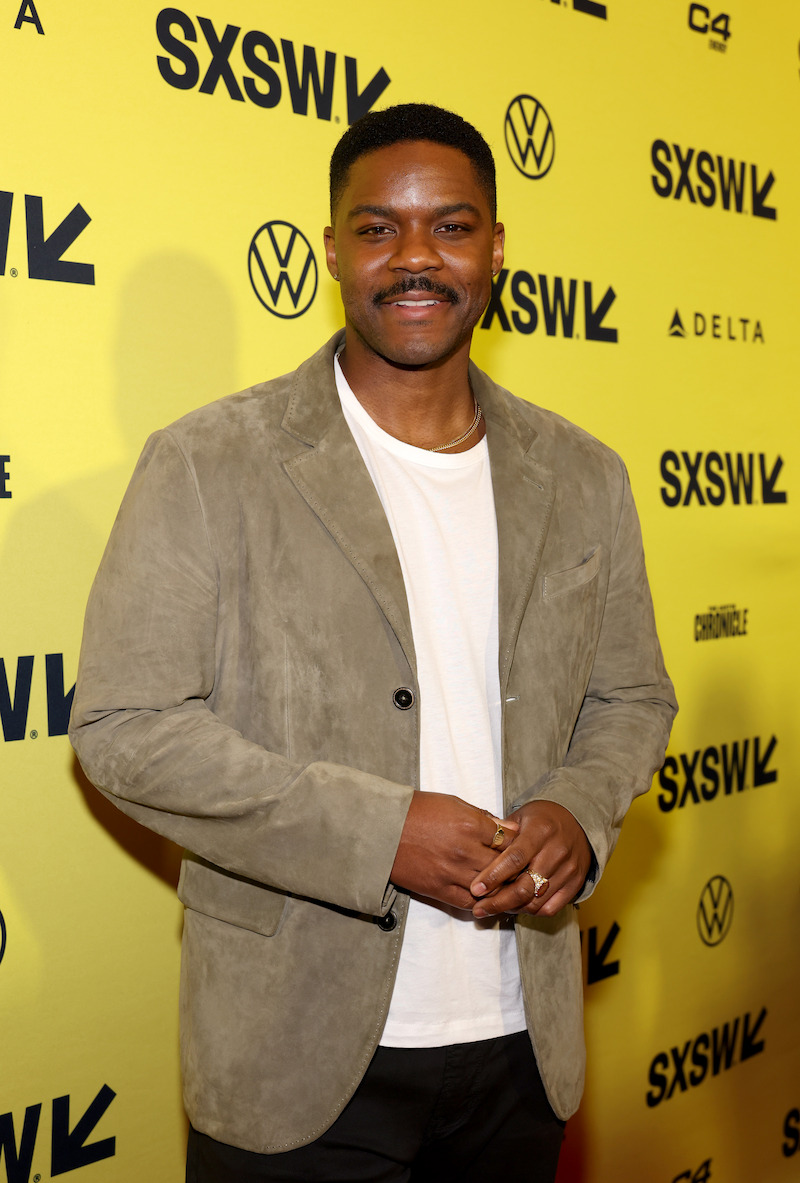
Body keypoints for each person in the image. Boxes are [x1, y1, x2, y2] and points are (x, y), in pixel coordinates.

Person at [70, 103, 677, 1182]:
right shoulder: (211, 462)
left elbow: (630, 697)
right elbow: (126, 729)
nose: (413, 258)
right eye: (376, 228)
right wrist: (377, 831)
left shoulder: (586, 477)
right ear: (332, 252)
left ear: (495, 249)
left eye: (449, 227)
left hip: (519, 1050)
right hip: (293, 1063)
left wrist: (576, 811)